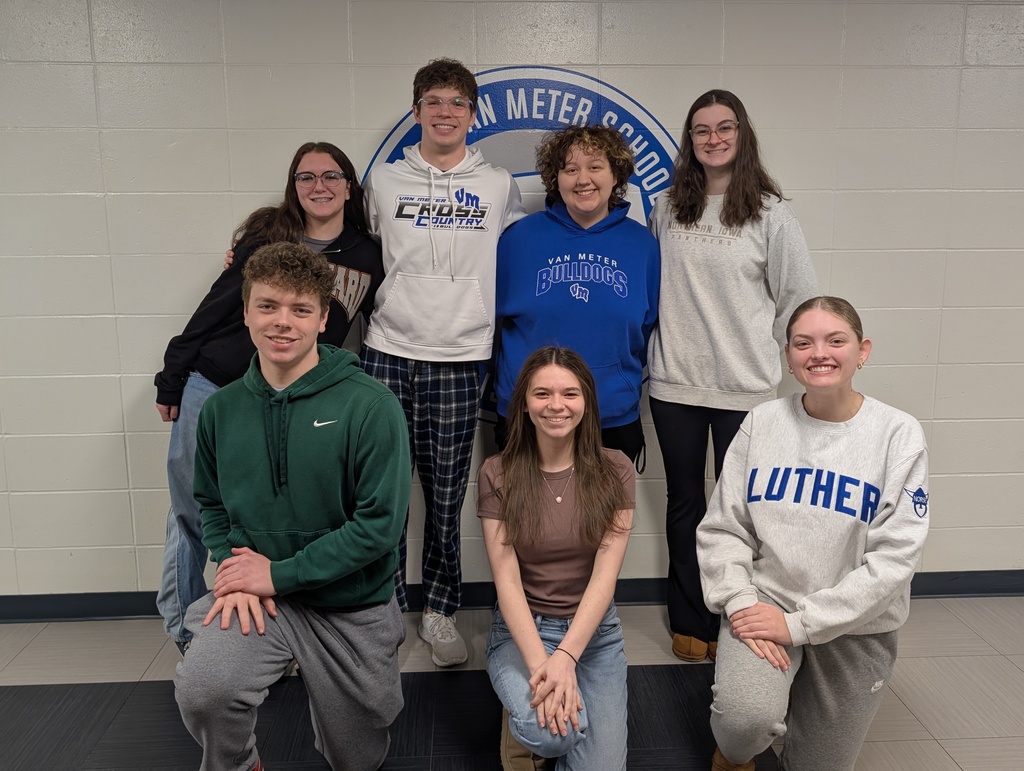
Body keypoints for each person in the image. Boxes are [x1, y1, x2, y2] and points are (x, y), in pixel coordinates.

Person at [174, 242, 410, 771]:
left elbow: (378, 526)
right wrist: (236, 566)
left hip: (349, 604)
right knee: (205, 690)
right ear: (246, 313)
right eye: (268, 306)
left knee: (359, 755)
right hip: (261, 601)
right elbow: (210, 503)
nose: (283, 323)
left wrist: (278, 573)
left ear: (324, 319)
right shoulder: (220, 410)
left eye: (301, 309)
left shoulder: (370, 406)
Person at [155, 142, 384, 653]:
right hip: (215, 385)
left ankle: (272, 627)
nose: (318, 187)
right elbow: (214, 308)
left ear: (349, 186)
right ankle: (187, 632)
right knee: (191, 511)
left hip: (289, 399)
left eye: (331, 176)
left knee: (268, 508)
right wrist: (173, 375)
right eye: (306, 177)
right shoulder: (266, 237)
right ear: (293, 186)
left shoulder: (369, 254)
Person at [696, 296, 929, 771]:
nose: (818, 352)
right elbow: (724, 527)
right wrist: (741, 602)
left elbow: (894, 562)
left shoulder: (898, 434)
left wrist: (801, 625)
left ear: (862, 351)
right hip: (767, 605)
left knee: (818, 764)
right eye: (803, 343)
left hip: (856, 624)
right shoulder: (762, 423)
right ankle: (734, 754)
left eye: (835, 340)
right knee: (745, 723)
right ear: (788, 357)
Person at [361, 57, 525, 666]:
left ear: (472, 114)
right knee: (382, 495)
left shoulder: (498, 184)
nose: (445, 113)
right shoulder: (383, 182)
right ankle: (380, 611)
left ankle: (439, 610)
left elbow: (518, 254)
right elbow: (351, 246)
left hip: (460, 355)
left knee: (446, 494)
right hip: (388, 352)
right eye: (433, 102)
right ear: (416, 112)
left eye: (457, 103)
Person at [647, 89, 819, 662]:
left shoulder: (772, 213)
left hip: (745, 390)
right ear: (689, 140)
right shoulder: (668, 206)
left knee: (742, 512)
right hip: (674, 384)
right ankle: (690, 619)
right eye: (702, 130)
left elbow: (798, 302)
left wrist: (781, 366)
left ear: (742, 135)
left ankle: (740, 617)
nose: (713, 139)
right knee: (685, 506)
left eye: (725, 128)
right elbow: (652, 292)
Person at [479, 346, 634, 771]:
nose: (556, 406)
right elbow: (506, 581)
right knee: (552, 733)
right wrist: (543, 665)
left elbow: (605, 577)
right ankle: (522, 727)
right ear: (525, 405)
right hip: (524, 629)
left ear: (586, 402)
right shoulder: (498, 471)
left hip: (595, 632)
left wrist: (566, 658)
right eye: (542, 394)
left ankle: (539, 713)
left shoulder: (616, 469)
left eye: (569, 394)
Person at [494, 125, 660, 467]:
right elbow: (491, 322)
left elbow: (646, 328)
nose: (583, 179)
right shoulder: (518, 239)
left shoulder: (642, 245)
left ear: (616, 174)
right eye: (571, 169)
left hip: (610, 415)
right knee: (524, 519)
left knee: (606, 521)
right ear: (557, 178)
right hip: (530, 414)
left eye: (595, 167)